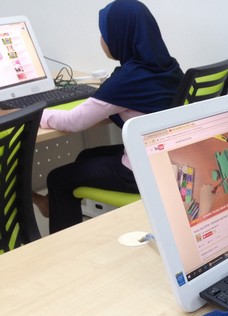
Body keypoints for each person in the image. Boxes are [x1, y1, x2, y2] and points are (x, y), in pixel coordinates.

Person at [32, 0, 183, 233]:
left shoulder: (127, 80)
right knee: (85, 156)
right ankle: (60, 210)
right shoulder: (167, 66)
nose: (102, 40)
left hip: (141, 172)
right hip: (164, 160)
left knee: (57, 178)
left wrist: (36, 113)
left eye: (104, 33)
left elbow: (73, 122)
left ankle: (66, 243)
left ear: (119, 36)